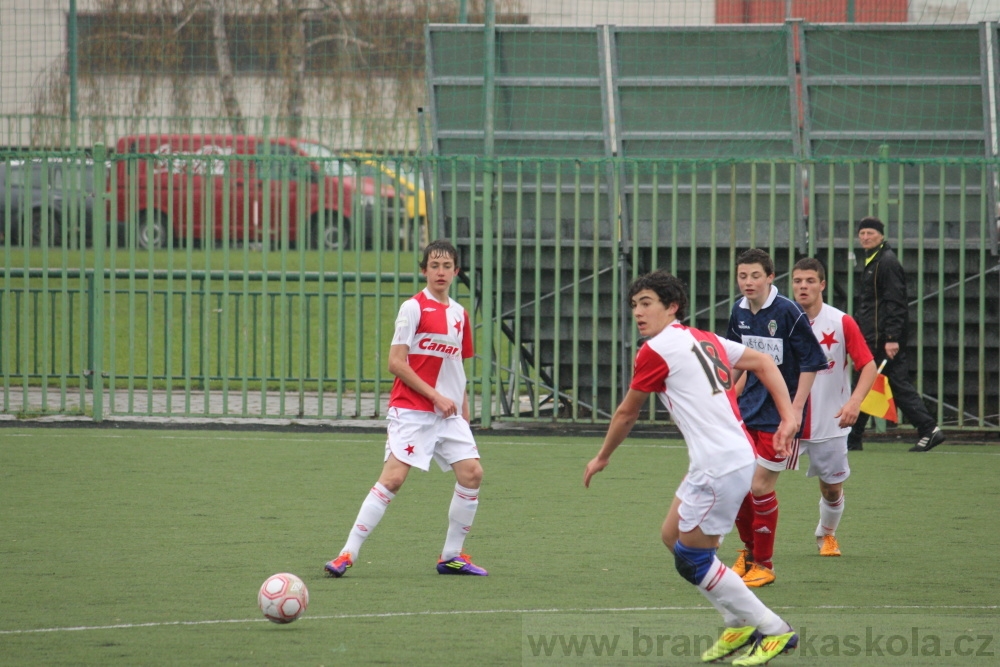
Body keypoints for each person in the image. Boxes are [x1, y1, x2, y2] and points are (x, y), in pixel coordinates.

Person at [584, 270, 799, 666]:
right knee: (672, 535)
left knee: (693, 559)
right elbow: (765, 362)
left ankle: (774, 629)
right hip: (726, 457)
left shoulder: (655, 350)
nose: (638, 312)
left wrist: (602, 456)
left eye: (647, 303)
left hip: (719, 464)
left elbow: (627, 412)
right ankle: (736, 622)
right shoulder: (704, 338)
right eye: (634, 305)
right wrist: (788, 417)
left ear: (672, 307)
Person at [324, 239, 488, 577]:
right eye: (434, 266)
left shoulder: (460, 315)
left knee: (472, 473)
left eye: (447, 266)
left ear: (456, 272)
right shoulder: (412, 308)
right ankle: (346, 554)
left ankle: (451, 556)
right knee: (394, 479)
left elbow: (457, 369)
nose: (440, 272)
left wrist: (463, 415)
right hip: (413, 410)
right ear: (424, 270)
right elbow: (396, 363)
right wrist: (435, 397)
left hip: (449, 415)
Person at [725, 248, 828, 587]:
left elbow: (813, 362)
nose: (748, 282)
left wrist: (794, 411)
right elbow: (739, 363)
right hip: (749, 411)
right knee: (737, 487)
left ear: (770, 277)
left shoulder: (787, 312)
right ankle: (750, 554)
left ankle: (765, 565)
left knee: (758, 486)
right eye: (743, 276)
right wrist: (728, 400)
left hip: (780, 417)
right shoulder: (738, 312)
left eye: (755, 275)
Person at [791, 258, 878, 557]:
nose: (803, 286)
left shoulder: (841, 322)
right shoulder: (780, 320)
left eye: (810, 281)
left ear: (822, 284)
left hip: (829, 422)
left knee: (831, 488)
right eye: (798, 281)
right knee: (756, 483)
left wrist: (854, 402)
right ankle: (751, 547)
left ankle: (826, 534)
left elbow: (868, 365)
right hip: (783, 422)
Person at [848, 217, 945, 453]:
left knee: (887, 385)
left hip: (883, 339)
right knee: (869, 383)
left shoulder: (886, 262)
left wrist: (891, 337)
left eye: (870, 233)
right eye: (862, 233)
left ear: (881, 236)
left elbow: (896, 302)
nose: (865, 237)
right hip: (875, 338)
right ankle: (852, 438)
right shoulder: (875, 260)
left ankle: (928, 428)